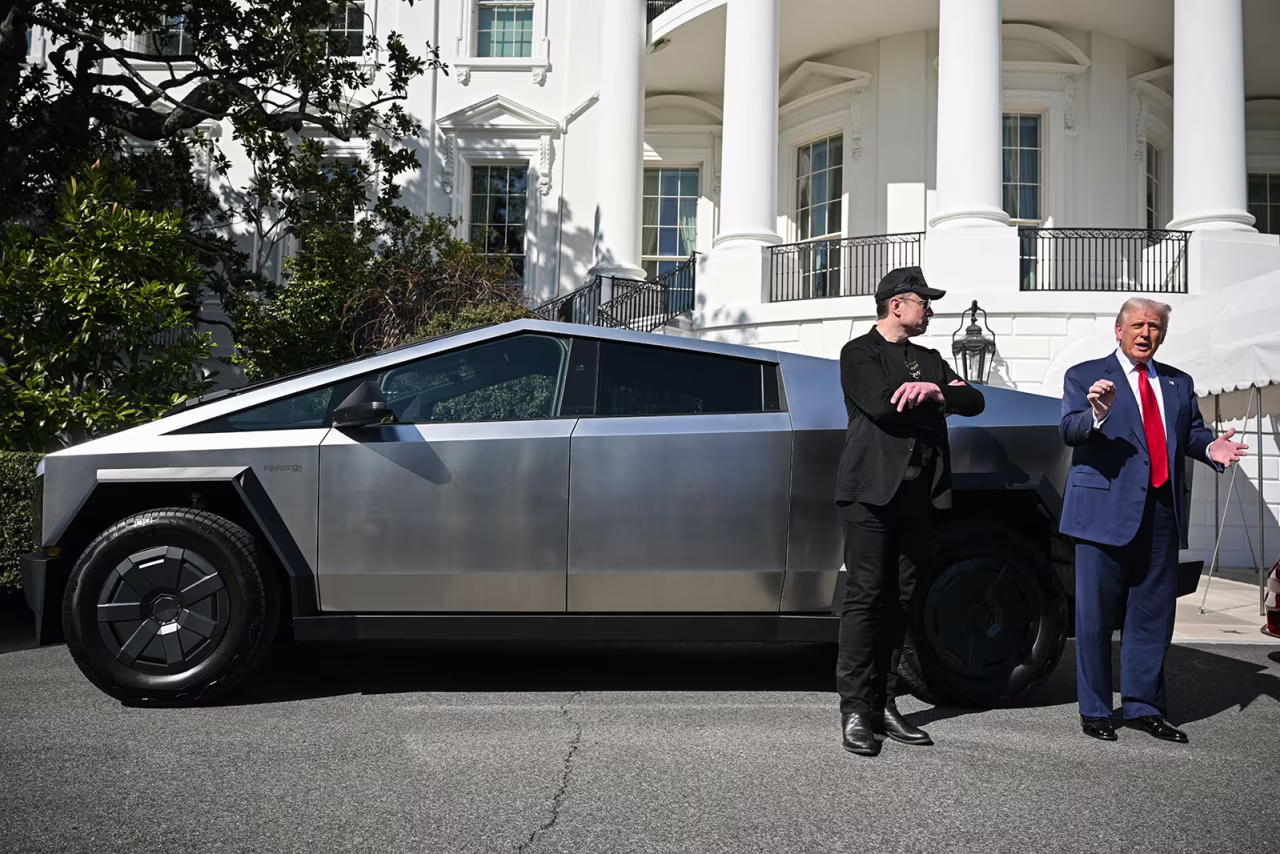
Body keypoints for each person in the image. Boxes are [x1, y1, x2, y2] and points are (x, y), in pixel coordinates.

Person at [1060, 297, 1248, 743]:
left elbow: (1193, 433)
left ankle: (1145, 707)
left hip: (1162, 513)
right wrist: (1097, 414)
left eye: (1156, 327)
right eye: (1139, 325)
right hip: (1102, 514)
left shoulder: (1179, 383)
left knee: (1153, 617)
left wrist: (1209, 449)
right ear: (1119, 330)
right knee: (1095, 618)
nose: (1147, 333)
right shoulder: (1085, 375)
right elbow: (1069, 430)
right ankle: (1097, 710)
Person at [834, 266, 985, 756]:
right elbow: (881, 407)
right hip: (871, 493)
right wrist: (938, 399)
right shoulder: (858, 353)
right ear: (897, 304)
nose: (931, 309)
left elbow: (976, 401)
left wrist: (939, 391)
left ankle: (884, 703)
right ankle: (855, 709)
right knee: (865, 599)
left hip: (921, 495)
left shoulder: (931, 358)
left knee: (902, 599)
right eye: (924, 301)